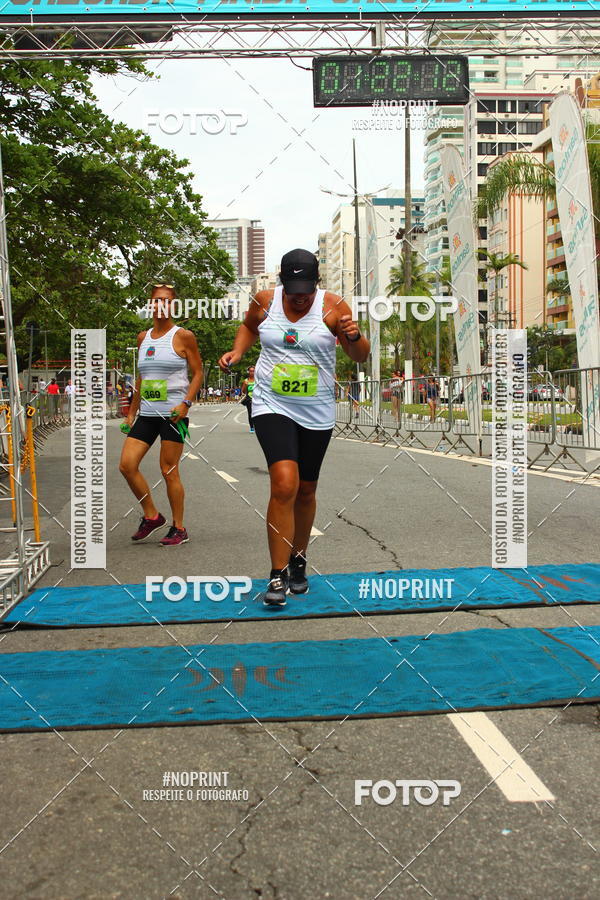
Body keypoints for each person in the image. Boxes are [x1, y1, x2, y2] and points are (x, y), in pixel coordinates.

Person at [219, 248, 370, 608]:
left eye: (306, 289)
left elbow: (360, 355)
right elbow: (248, 326)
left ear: (317, 282)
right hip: (273, 403)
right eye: (293, 289)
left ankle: (299, 558)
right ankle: (277, 572)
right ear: (282, 282)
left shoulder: (334, 308)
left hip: (316, 410)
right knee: (284, 483)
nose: (300, 297)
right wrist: (239, 352)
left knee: (306, 489)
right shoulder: (266, 300)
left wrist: (352, 335)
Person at [119, 283, 203, 546]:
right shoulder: (143, 338)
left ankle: (179, 528)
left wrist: (186, 403)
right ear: (150, 304)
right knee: (127, 465)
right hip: (147, 413)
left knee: (169, 470)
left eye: (166, 301)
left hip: (173, 415)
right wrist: (130, 413)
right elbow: (142, 378)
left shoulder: (184, 336)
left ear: (173, 305)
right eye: (156, 300)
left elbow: (198, 372)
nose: (161, 305)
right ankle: (152, 516)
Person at [240, 365, 256, 432]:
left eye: (253, 371)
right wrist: (246, 386)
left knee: (258, 413)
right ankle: (252, 427)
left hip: (257, 399)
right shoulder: (246, 381)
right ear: (248, 372)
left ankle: (257, 426)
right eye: (250, 371)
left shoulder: (258, 380)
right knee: (250, 413)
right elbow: (243, 391)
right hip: (249, 398)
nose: (252, 372)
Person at [389, 368, 404, 433]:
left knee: (398, 406)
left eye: (393, 374)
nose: (393, 376)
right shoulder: (391, 380)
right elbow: (391, 387)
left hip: (399, 393)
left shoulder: (400, 378)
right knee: (394, 406)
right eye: (392, 374)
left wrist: (398, 384)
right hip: (394, 393)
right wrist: (396, 385)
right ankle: (396, 418)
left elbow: (401, 384)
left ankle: (399, 418)